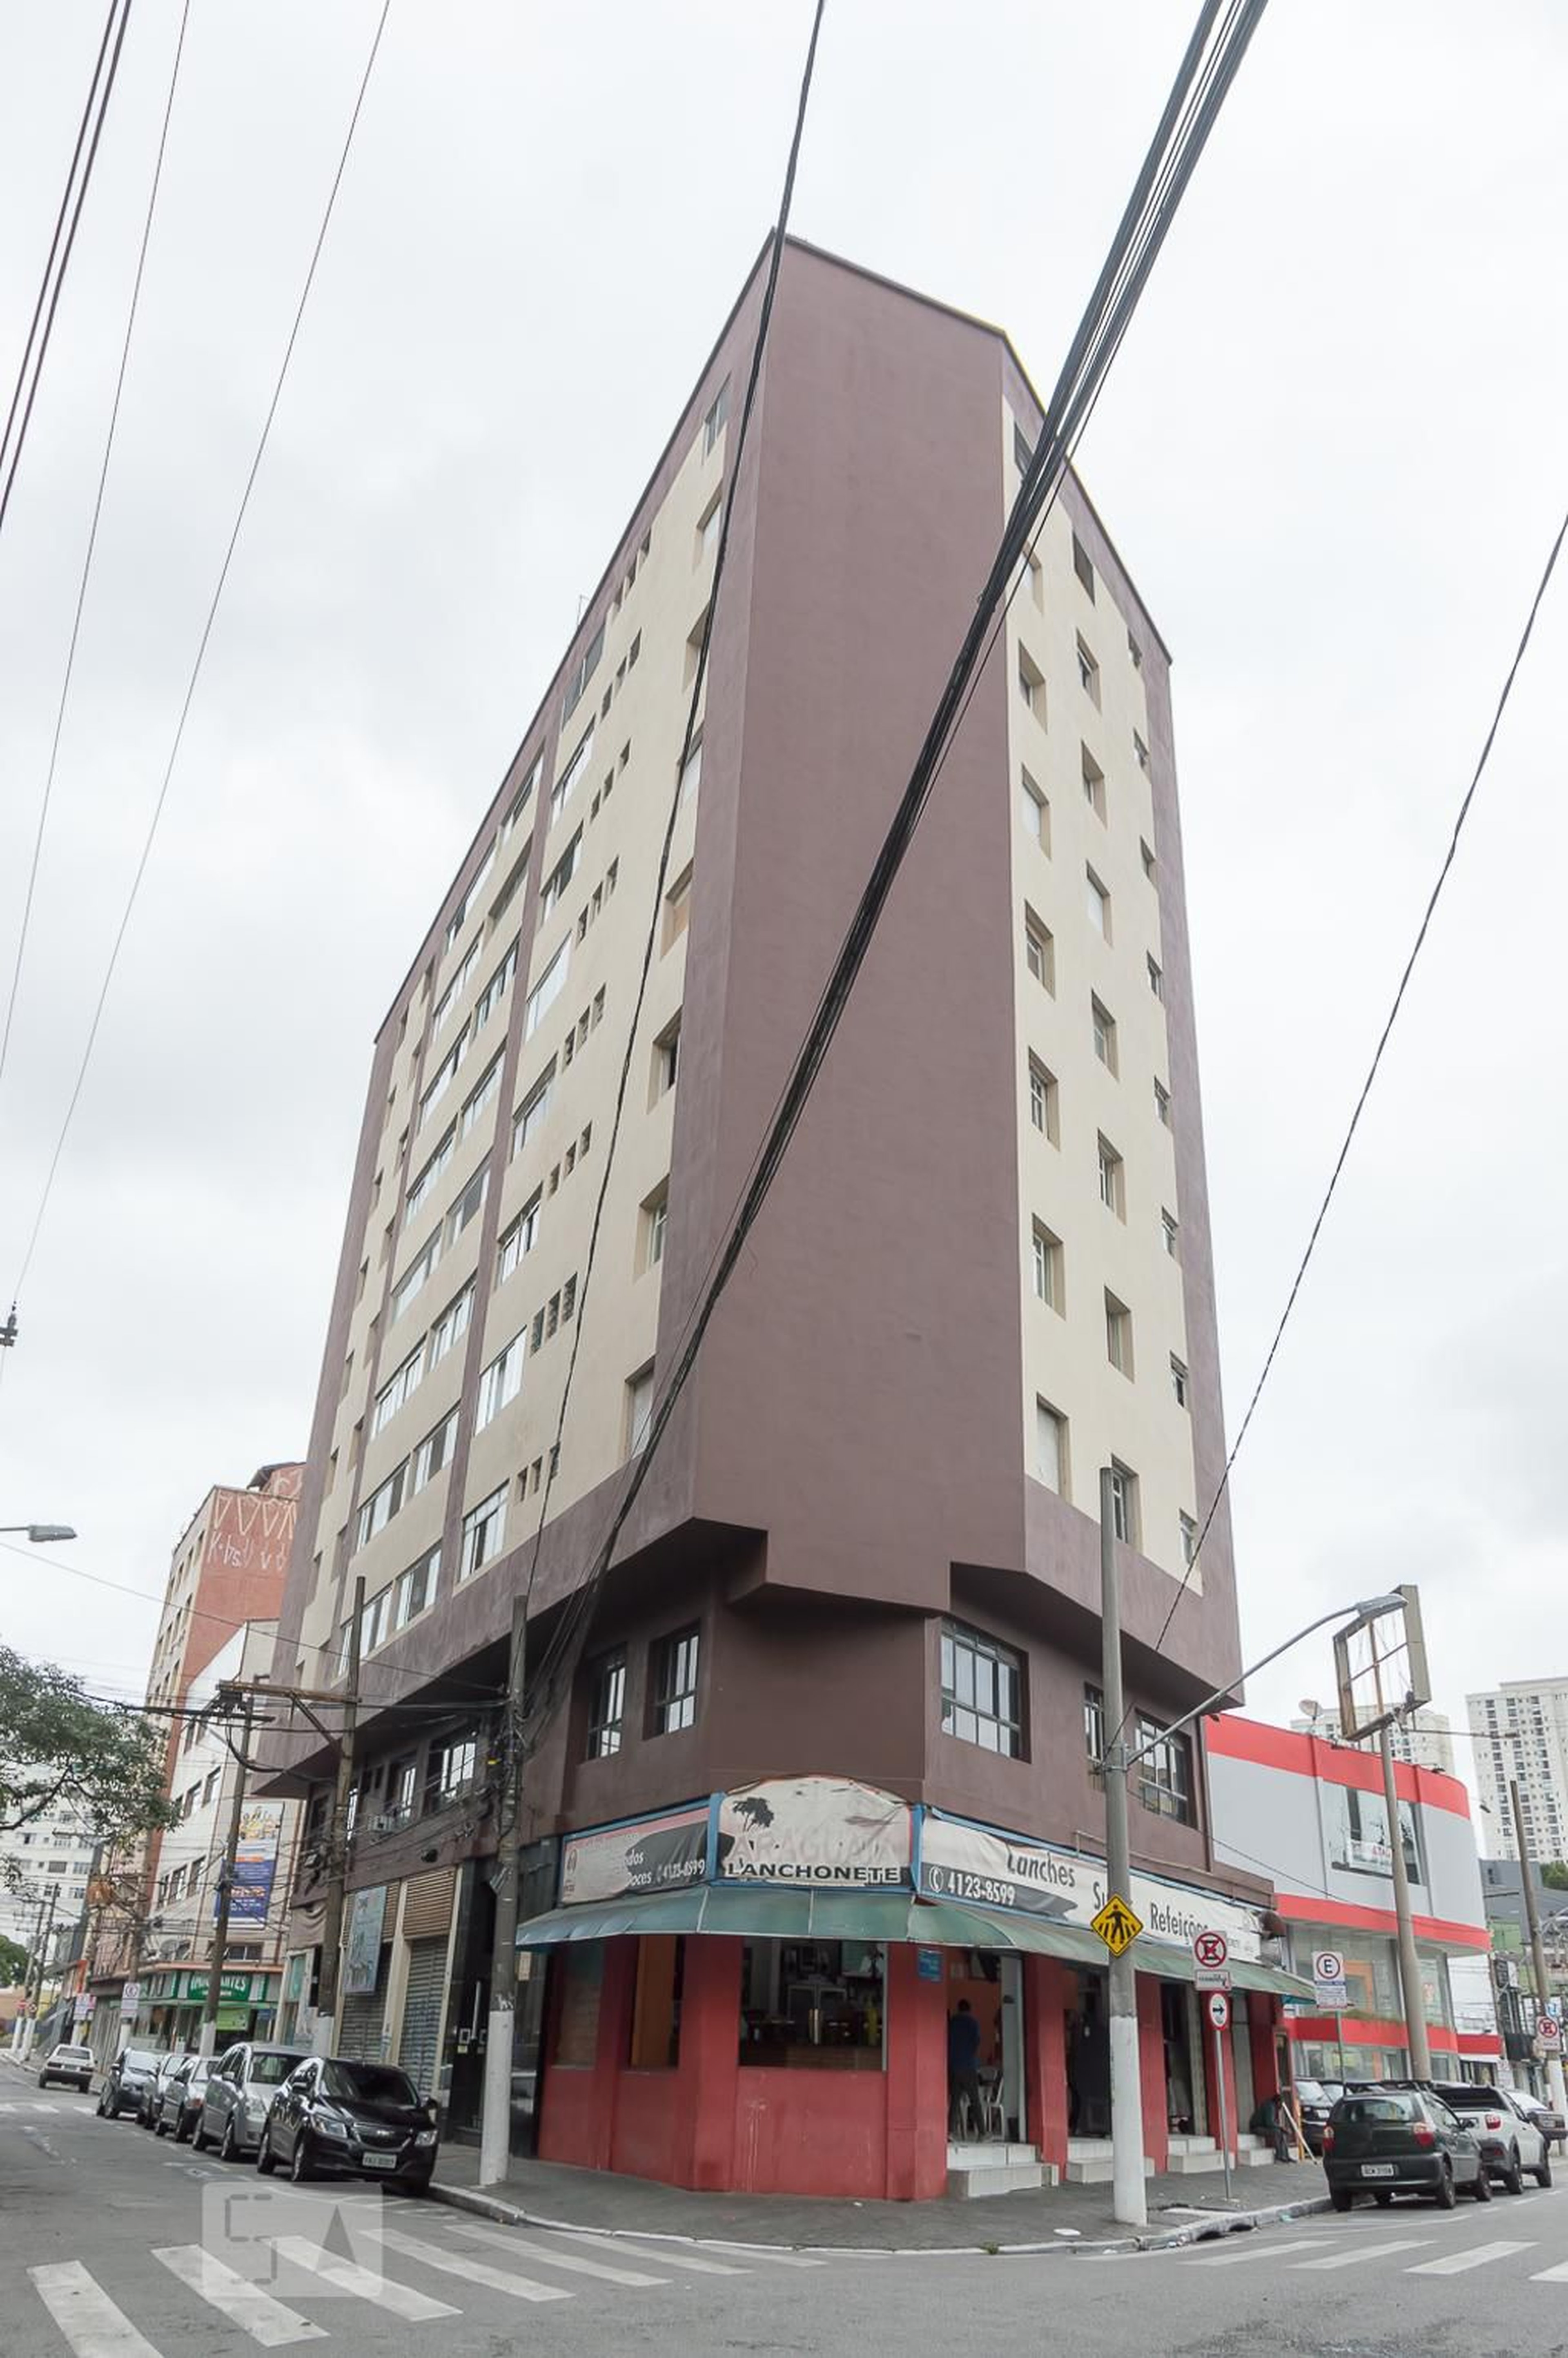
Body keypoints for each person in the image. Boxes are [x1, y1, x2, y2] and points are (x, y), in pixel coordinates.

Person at [948, 1999, 983, 2140]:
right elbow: (977, 2042)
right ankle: (982, 2133)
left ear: (958, 2008)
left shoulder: (952, 2022)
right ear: (969, 2009)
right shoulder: (973, 2022)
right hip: (969, 2066)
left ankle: (951, 2131)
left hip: (954, 2066)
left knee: (955, 2101)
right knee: (975, 2100)